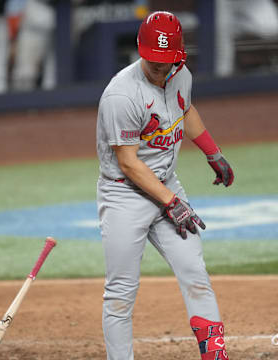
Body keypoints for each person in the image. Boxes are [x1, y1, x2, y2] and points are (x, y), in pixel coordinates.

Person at [96, 11, 234, 360]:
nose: (159, 69)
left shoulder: (180, 74)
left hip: (167, 186)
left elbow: (185, 110)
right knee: (120, 292)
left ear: (179, 57)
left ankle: (215, 355)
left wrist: (212, 152)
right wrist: (170, 201)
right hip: (125, 196)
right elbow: (128, 162)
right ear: (141, 51)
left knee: (195, 272)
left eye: (166, 63)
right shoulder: (121, 96)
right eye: (152, 61)